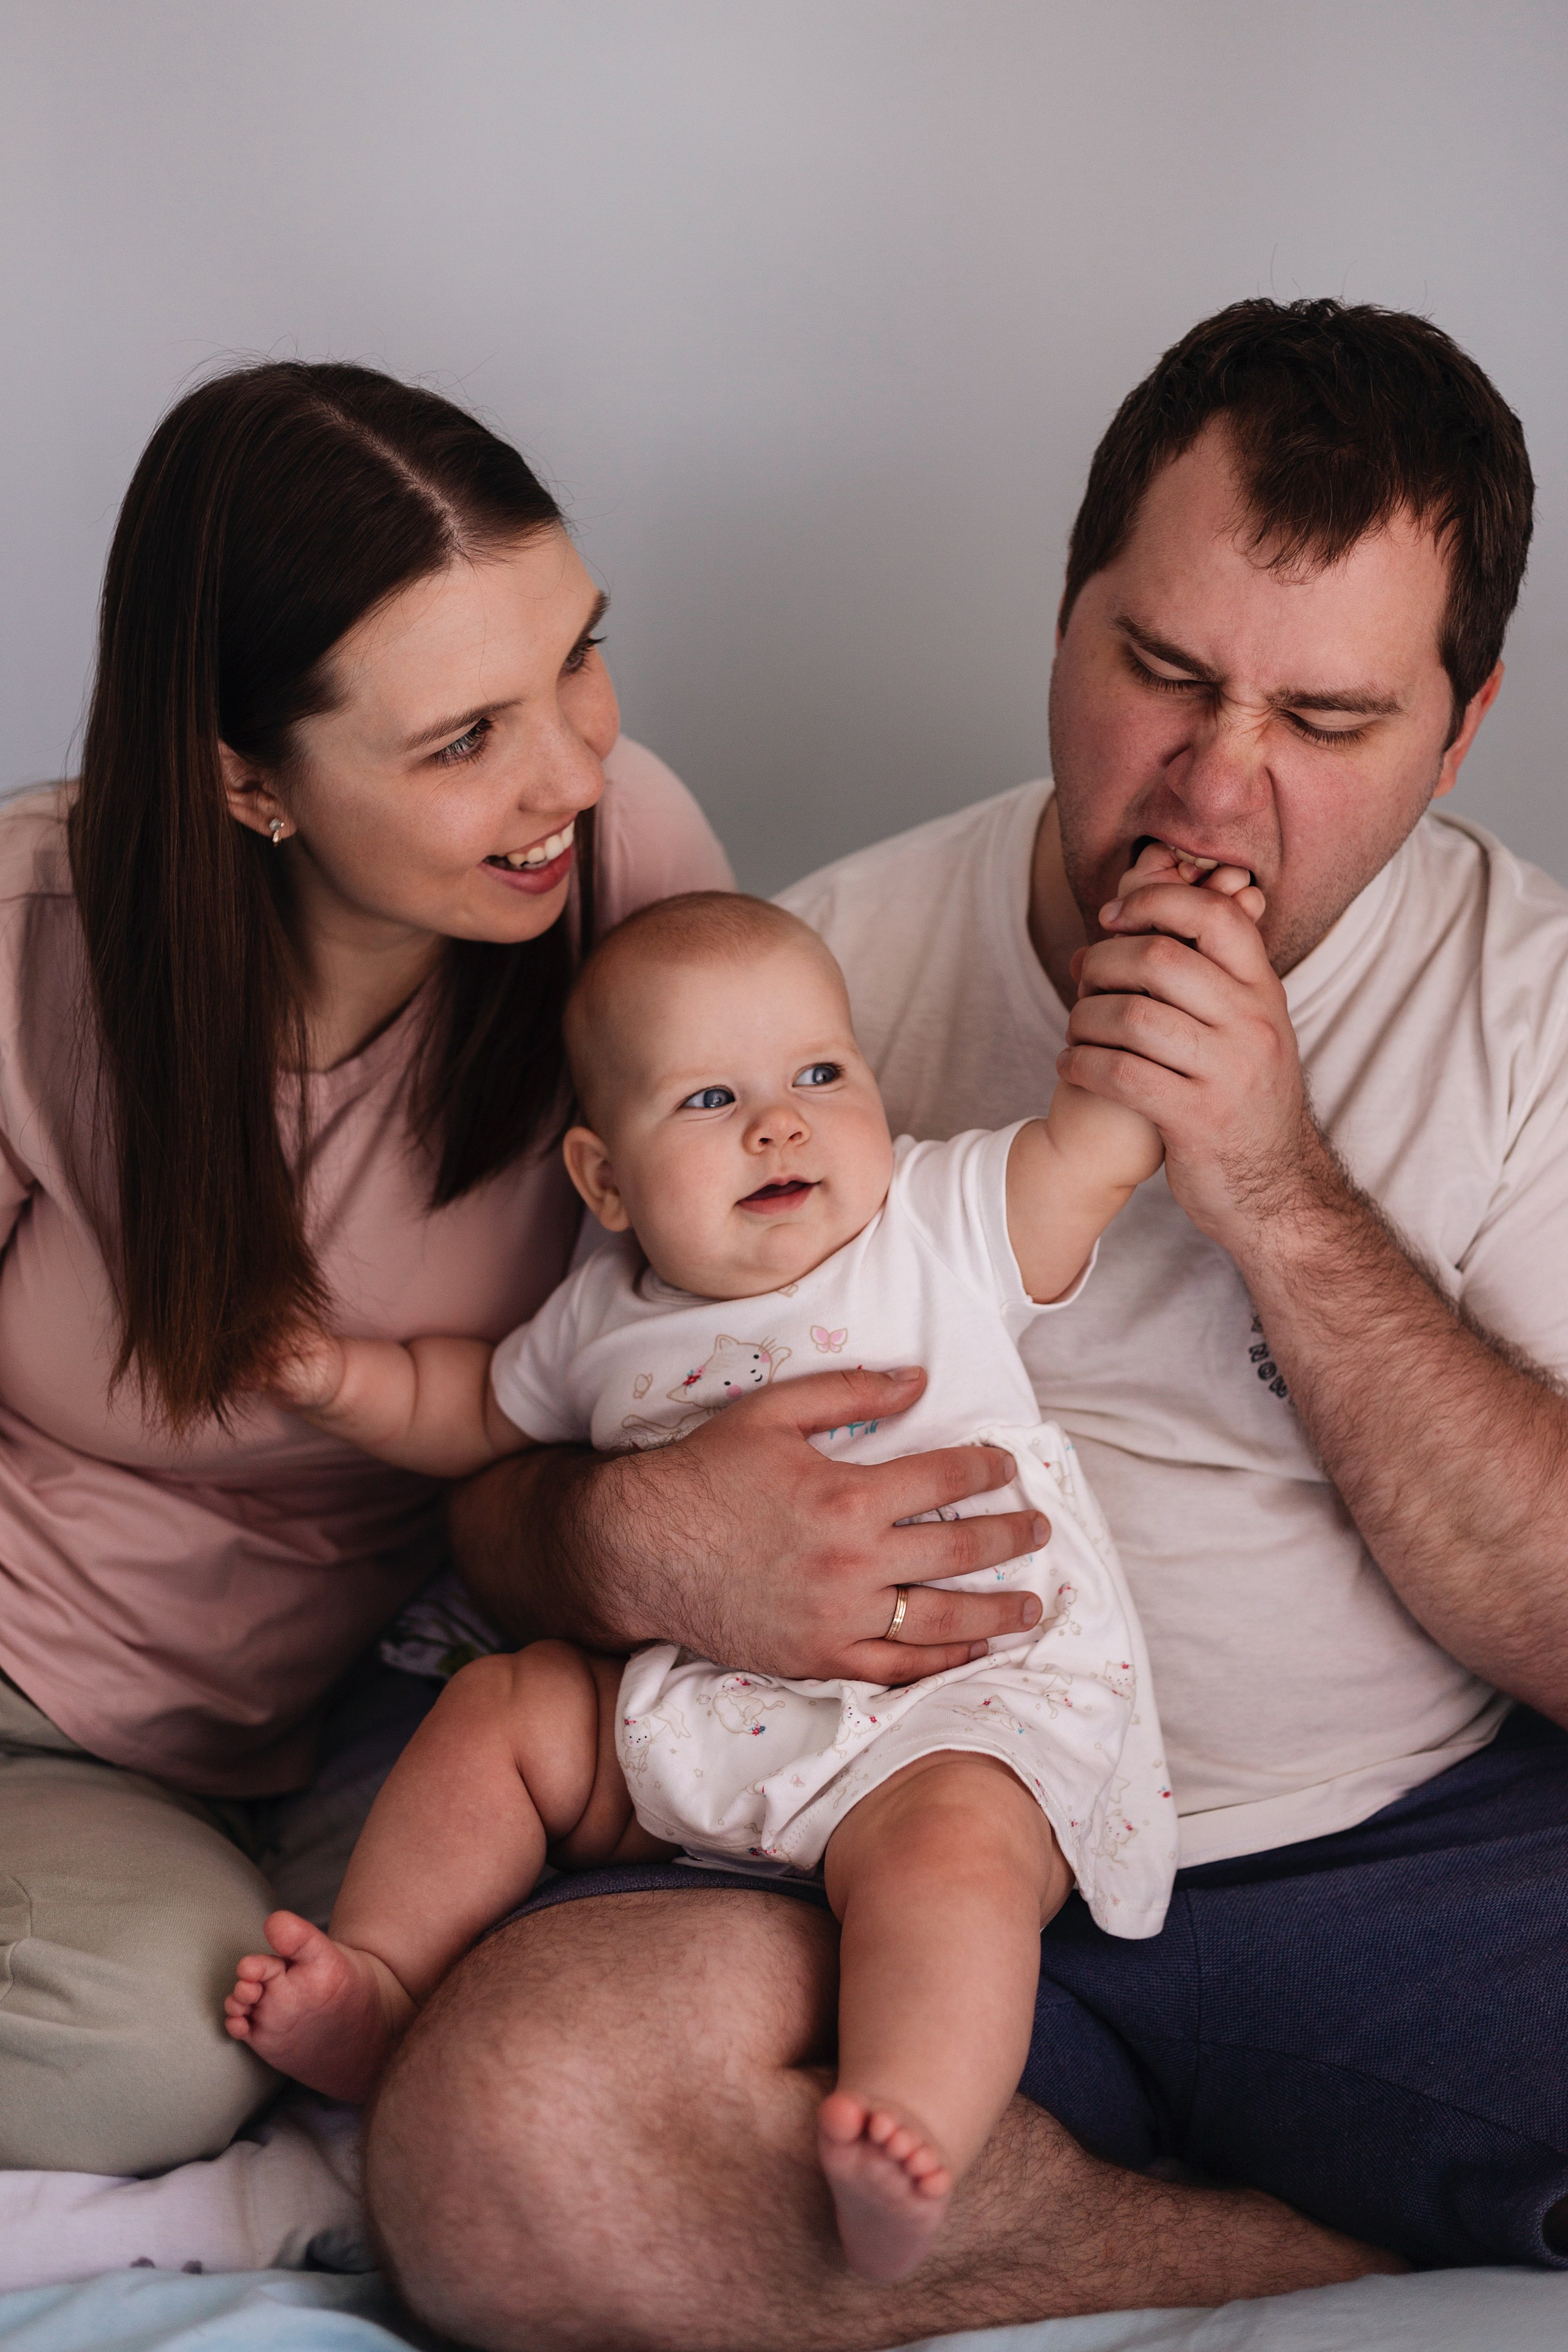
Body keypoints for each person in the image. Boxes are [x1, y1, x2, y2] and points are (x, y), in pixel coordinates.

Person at [364, 299, 1568, 2351]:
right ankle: (1299, 2254)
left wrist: (1272, 1190)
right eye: (1162, 673)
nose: (1216, 784)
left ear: (1457, 731)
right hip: (865, 1824)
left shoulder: (1525, 1011)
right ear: (1067, 623)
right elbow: (493, 1490)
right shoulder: (790, 991)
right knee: (506, 2148)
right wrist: (630, 1540)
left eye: (1331, 722)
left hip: (1391, 1852)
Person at [225, 874, 1262, 2277]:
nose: (778, 1122)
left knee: (952, 1868)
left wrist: (1151, 982)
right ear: (603, 1179)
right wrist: (338, 1380)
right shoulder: (599, 1312)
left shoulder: (933, 1226)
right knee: (501, 1711)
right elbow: (468, 1409)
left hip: (953, 1700)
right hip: (703, 1700)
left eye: (818, 1075)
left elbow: (1092, 1151)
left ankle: (910, 2129)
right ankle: (381, 1982)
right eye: (707, 1101)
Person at [0, 359, 741, 2174]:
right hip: (45, 1707)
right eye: (460, 739)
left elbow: (744, 1303)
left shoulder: (623, 860)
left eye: (575, 654)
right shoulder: (29, 955)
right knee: (155, 2053)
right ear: (249, 780)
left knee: (555, 2064)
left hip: (390, 1710)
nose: (568, 769)